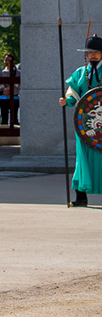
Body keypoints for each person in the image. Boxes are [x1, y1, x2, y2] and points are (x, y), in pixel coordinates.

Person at [61, 33, 102, 208]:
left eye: (96, 52)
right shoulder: (80, 73)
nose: (92, 55)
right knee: (82, 159)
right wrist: (67, 100)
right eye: (89, 52)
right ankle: (81, 197)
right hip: (85, 125)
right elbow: (73, 92)